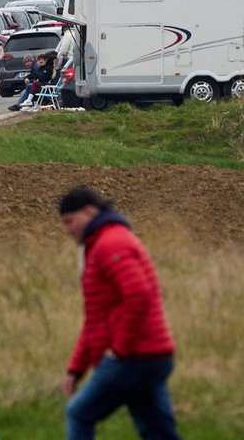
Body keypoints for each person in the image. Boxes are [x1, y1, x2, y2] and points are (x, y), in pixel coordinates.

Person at [59, 187, 180, 440]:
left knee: (78, 413)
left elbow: (139, 295)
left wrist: (119, 350)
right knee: (159, 433)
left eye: (69, 221)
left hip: (135, 358)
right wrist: (76, 367)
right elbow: (96, 318)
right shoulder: (102, 243)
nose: (66, 230)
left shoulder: (110, 243)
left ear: (89, 212)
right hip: (151, 356)